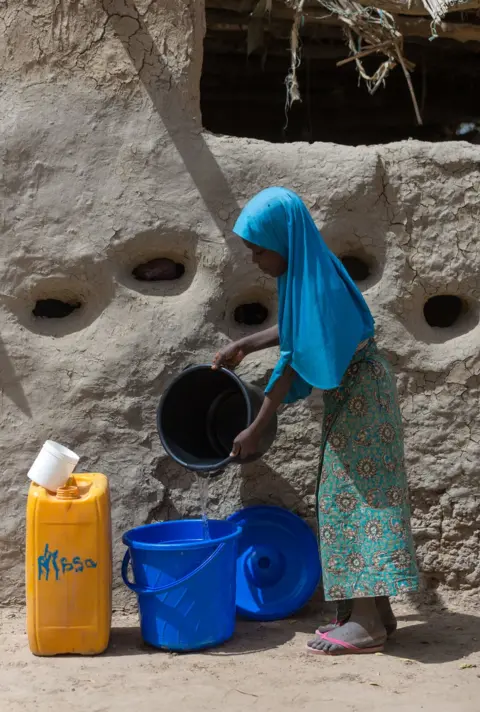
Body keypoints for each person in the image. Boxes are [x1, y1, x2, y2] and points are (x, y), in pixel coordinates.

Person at [212, 187, 419, 656]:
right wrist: (246, 344)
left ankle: (365, 623)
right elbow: (295, 328)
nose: (256, 260)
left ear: (284, 241)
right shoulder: (308, 271)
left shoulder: (316, 276)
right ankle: (375, 614)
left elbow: (290, 365)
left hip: (362, 395)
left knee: (353, 499)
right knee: (351, 494)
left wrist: (257, 427)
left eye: (259, 250)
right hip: (358, 392)